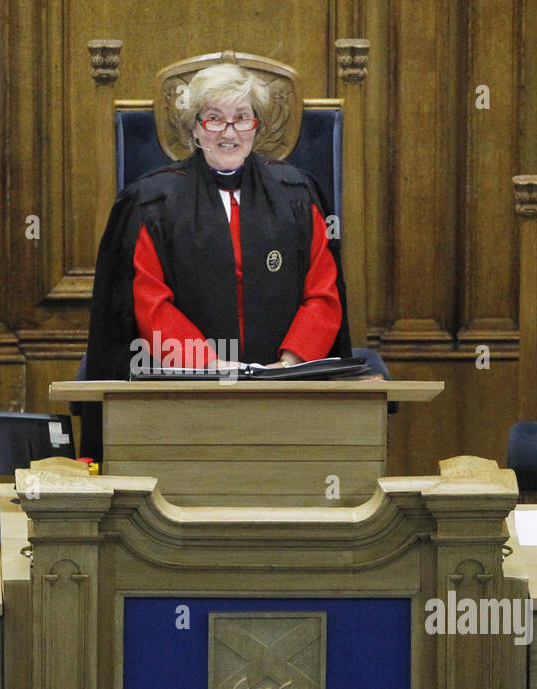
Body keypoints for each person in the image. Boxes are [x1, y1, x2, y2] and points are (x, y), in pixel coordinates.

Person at [83, 63, 352, 457]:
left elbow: (324, 293)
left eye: (241, 118)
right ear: (194, 128)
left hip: (286, 394)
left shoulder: (297, 194)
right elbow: (150, 304)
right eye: (215, 119)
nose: (229, 132)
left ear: (256, 126)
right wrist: (212, 368)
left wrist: (289, 365)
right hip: (187, 397)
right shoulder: (150, 202)